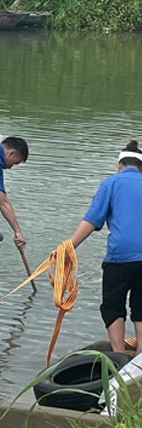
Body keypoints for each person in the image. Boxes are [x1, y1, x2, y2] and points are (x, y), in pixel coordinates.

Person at [67, 140, 142, 354]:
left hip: (120, 258)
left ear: (119, 165)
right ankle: (141, 358)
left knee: (113, 305)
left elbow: (92, 220)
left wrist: (68, 247)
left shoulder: (111, 183)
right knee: (141, 305)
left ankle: (119, 356)